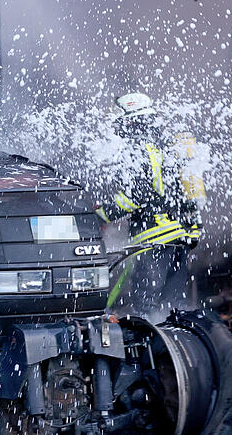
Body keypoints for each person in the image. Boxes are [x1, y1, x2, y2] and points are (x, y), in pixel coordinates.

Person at [95, 92, 203, 317]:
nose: (117, 130)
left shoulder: (138, 148)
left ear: (131, 121)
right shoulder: (165, 145)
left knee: (146, 305)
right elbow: (184, 193)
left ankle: (150, 349)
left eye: (120, 123)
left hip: (153, 239)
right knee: (172, 308)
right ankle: (173, 348)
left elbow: (139, 194)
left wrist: (103, 214)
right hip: (178, 239)